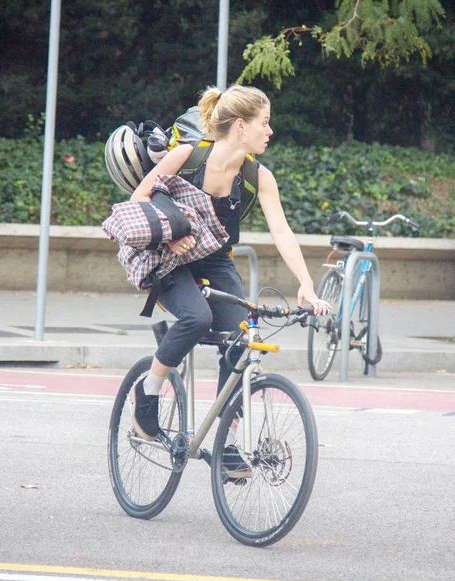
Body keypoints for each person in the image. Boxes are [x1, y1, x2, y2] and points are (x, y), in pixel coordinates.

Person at [129, 85, 332, 462]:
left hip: (216, 261)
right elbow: (139, 198)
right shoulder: (188, 156)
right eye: (265, 123)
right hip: (170, 259)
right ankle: (149, 390)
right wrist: (170, 236)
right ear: (241, 126)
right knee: (196, 317)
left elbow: (282, 231)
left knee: (242, 342)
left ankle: (228, 442)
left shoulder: (257, 176)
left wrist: (307, 283)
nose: (270, 132)